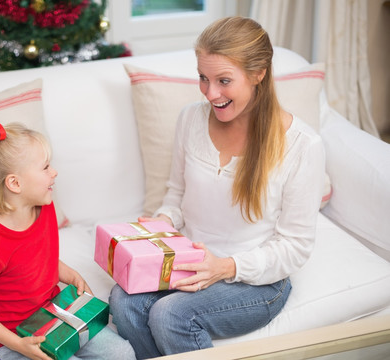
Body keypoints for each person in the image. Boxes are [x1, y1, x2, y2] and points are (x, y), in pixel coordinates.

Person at [109, 16, 325, 359]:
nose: (211, 93)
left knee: (170, 315)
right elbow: (176, 195)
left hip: (257, 280)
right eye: (203, 78)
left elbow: (295, 248)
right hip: (193, 261)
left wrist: (225, 267)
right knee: (122, 301)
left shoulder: (302, 145)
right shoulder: (190, 119)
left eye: (224, 80)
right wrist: (161, 224)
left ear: (259, 74)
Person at [0, 120, 135, 360]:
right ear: (15, 183)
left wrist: (70, 274)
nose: (54, 172)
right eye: (45, 167)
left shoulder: (45, 207)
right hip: (16, 336)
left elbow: (39, 258)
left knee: (122, 353)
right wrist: (19, 344)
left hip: (54, 313)